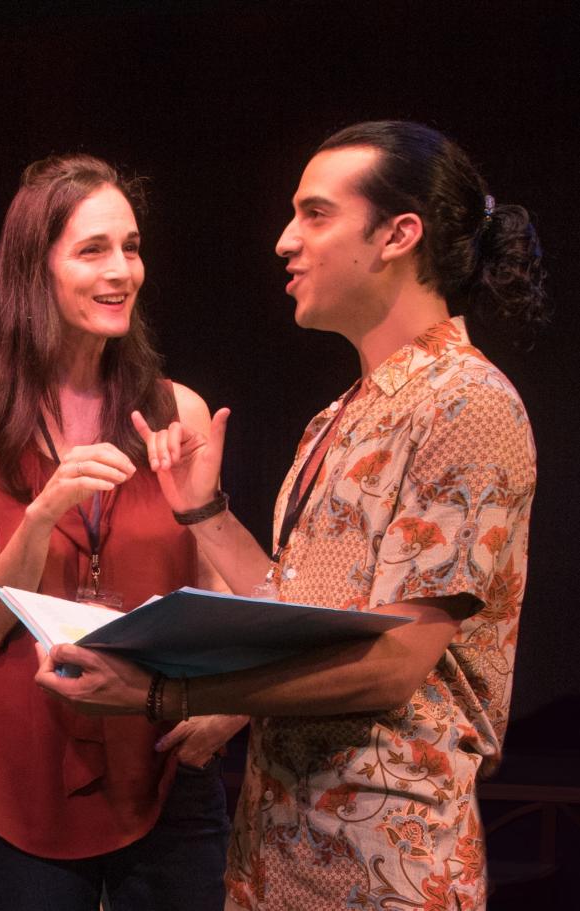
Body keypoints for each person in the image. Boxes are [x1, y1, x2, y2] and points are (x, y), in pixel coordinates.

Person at [35, 122, 543, 910]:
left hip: (384, 867)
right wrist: (203, 514)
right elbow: (302, 612)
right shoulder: (340, 413)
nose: (284, 241)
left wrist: (160, 697)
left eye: (314, 214)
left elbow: (393, 663)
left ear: (397, 234)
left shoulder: (464, 403)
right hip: (282, 848)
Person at [0, 153, 246, 910]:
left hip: (163, 752)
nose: (121, 271)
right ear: (33, 271)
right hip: (26, 768)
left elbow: (220, 597)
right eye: (92, 249)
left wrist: (228, 705)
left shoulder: (179, 412)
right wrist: (42, 512)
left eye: (130, 246)